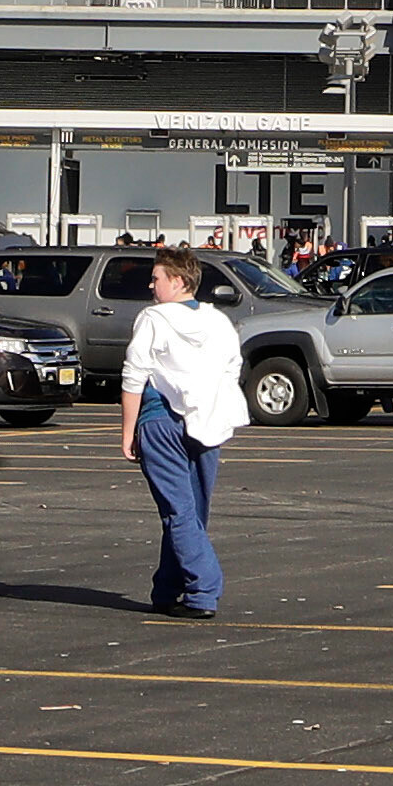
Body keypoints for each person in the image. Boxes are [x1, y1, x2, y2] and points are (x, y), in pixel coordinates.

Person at [122, 248, 247, 619]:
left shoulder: (153, 318)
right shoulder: (219, 322)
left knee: (179, 512)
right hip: (207, 423)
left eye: (156, 277)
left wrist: (128, 431)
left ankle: (205, 589)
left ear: (178, 282)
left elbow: (134, 376)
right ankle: (168, 589)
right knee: (190, 513)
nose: (151, 284)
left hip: (161, 421)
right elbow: (232, 370)